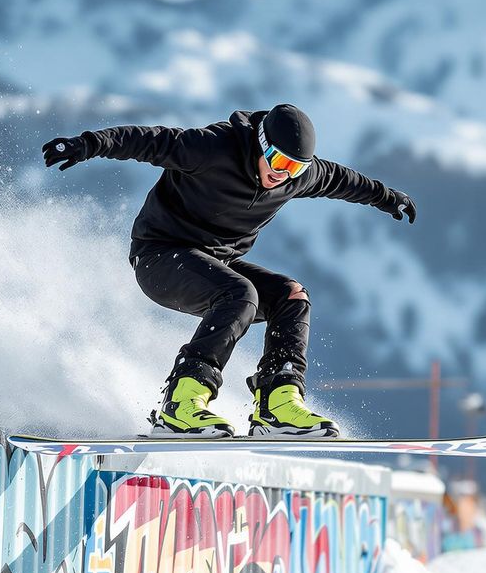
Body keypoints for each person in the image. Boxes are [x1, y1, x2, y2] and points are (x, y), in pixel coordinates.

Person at [42, 104, 416, 437]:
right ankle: (182, 402)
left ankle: (278, 404)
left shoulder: (295, 177)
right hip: (159, 256)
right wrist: (87, 144)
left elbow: (342, 180)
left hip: (215, 264)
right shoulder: (212, 148)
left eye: (295, 168)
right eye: (279, 161)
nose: (283, 174)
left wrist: (387, 198)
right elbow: (147, 141)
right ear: (261, 144)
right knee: (240, 295)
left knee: (291, 296)